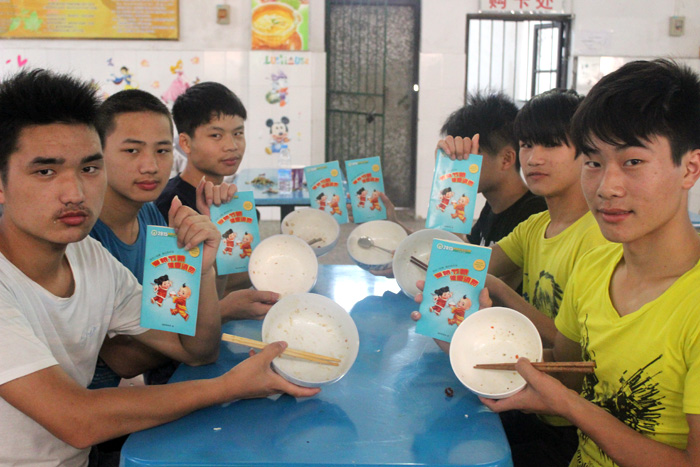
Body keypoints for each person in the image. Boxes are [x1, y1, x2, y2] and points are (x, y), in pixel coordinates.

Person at [0, 69, 319, 467]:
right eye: (45, 171)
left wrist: (203, 269)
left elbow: (194, 348)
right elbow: (77, 419)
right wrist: (227, 387)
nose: (75, 192)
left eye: (89, 168)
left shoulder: (89, 257)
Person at [481, 59, 700, 467]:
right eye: (594, 162)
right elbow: (568, 371)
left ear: (690, 168)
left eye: (632, 162)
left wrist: (570, 406)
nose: (607, 187)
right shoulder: (596, 266)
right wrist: (472, 340)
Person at [416, 89, 608, 466]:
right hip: (523, 395)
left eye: (551, 144)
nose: (534, 158)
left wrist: (501, 290)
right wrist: (454, 177)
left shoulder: (600, 238)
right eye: (527, 144)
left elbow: (573, 350)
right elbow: (456, 265)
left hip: (568, 423)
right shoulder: (535, 226)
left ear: (587, 153)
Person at [154, 81, 262, 297]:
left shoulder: (239, 207)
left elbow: (243, 274)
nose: (232, 146)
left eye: (238, 133)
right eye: (216, 135)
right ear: (185, 143)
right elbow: (175, 290)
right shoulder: (169, 207)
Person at [439, 93, 547, 247]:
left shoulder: (534, 214)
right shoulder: (493, 206)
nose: (456, 164)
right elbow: (466, 248)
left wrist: (452, 188)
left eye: (465, 154)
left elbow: (454, 257)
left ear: (506, 159)